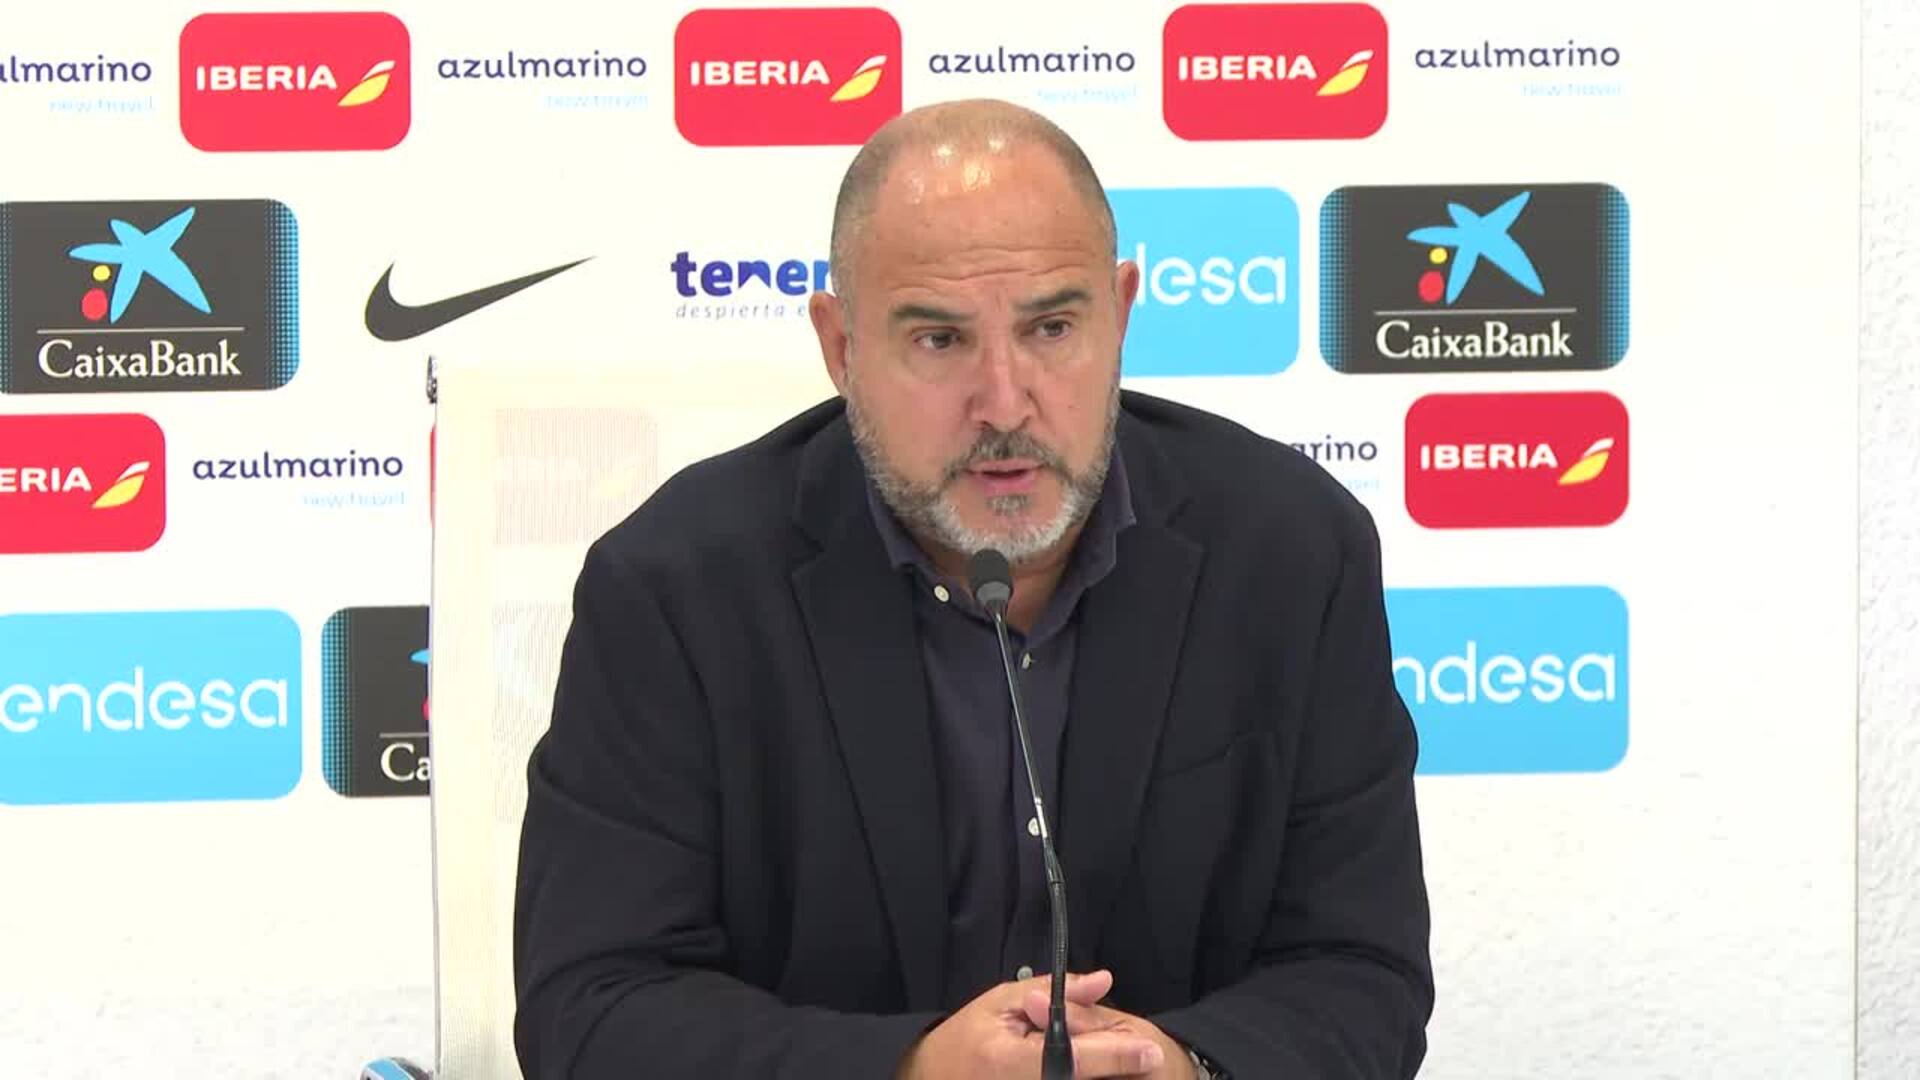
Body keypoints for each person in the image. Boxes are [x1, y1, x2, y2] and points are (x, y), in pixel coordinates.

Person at [513, 98, 1433, 1079]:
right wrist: (909, 1071)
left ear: (1121, 314)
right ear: (841, 347)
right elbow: (592, 1008)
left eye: (1052, 327)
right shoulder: (675, 590)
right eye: (939, 341)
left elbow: (1360, 971)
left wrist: (1182, 1065)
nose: (1003, 402)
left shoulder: (1292, 553)